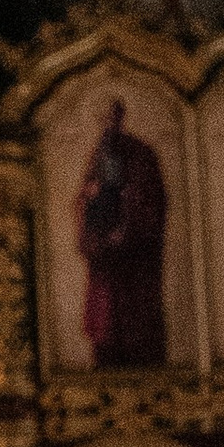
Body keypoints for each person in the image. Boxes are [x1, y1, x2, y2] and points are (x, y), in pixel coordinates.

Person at [77, 93, 171, 367]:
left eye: (113, 116)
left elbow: (150, 201)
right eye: (104, 118)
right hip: (105, 256)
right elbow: (84, 197)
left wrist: (126, 228)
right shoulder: (99, 153)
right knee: (106, 325)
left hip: (134, 258)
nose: (109, 123)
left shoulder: (141, 154)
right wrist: (89, 203)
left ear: (121, 117)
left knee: (136, 324)